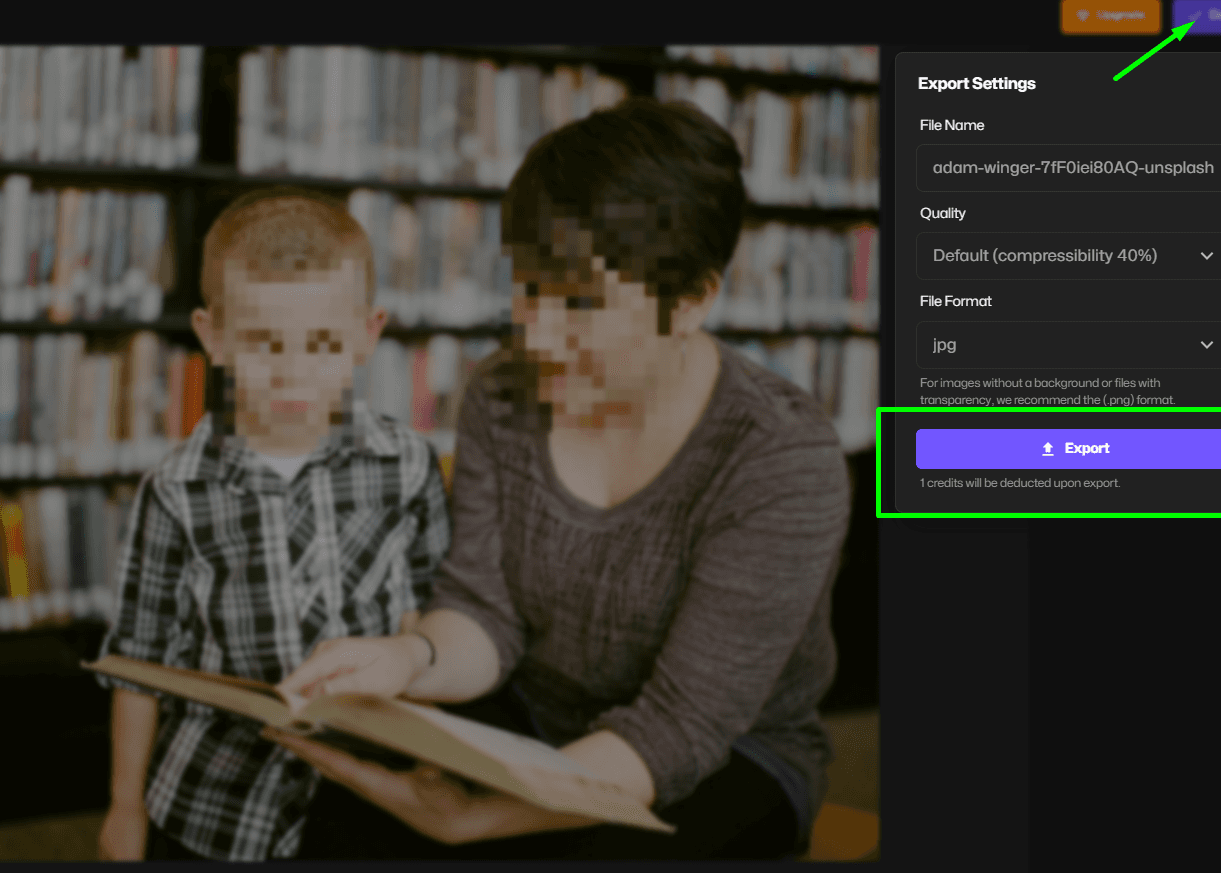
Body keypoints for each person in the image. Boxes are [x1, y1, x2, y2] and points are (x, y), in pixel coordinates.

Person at [267, 97, 852, 860]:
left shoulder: (779, 459)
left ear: (690, 300)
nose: (535, 333)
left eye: (577, 302)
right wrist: (406, 658)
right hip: (535, 719)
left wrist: (481, 814)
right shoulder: (501, 393)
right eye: (529, 287)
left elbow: (680, 729)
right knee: (339, 817)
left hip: (728, 760)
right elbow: (484, 613)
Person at [92, 188, 452, 861]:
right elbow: (136, 662)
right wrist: (123, 805)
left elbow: (436, 618)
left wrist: (433, 752)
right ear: (213, 337)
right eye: (263, 343)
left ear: (367, 334)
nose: (292, 372)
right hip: (216, 803)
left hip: (367, 793)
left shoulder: (405, 463)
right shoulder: (175, 489)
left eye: (321, 344)